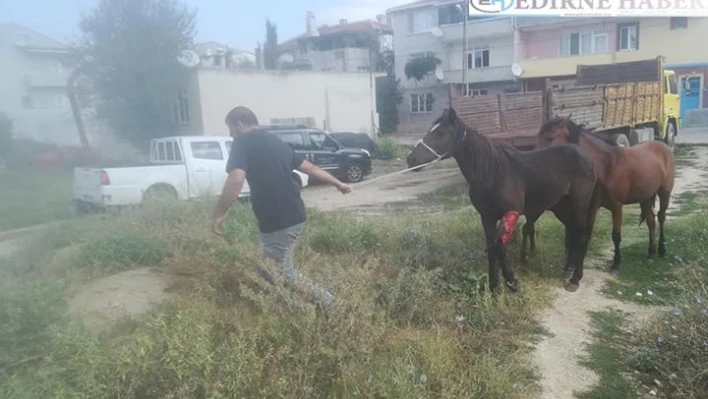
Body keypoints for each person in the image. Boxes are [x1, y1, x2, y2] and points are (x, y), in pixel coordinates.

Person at [211, 106, 352, 308]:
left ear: (239, 125)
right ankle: (282, 309)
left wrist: (219, 215)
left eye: (231, 130)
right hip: (291, 215)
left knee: (282, 273)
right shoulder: (273, 140)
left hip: (280, 220)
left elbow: (236, 181)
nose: (231, 136)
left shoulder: (243, 142)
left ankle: (331, 305)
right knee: (267, 271)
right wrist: (337, 183)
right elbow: (309, 168)